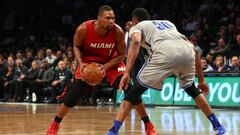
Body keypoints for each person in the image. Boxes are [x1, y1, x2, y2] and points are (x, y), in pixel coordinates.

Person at [107, 8, 226, 135]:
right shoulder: (168, 23)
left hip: (164, 52)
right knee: (192, 89)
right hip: (187, 51)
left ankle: (113, 131)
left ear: (134, 20)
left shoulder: (137, 27)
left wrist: (126, 72)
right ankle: (218, 126)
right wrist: (201, 80)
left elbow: (135, 41)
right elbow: (195, 51)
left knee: (132, 93)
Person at [46, 5, 157, 135]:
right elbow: (76, 47)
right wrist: (81, 64)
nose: (111, 21)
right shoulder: (84, 29)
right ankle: (55, 123)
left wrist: (105, 67)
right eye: (108, 18)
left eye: (113, 18)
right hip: (88, 62)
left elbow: (122, 55)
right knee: (75, 93)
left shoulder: (118, 32)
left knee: (130, 88)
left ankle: (148, 125)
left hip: (111, 62)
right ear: (99, 18)